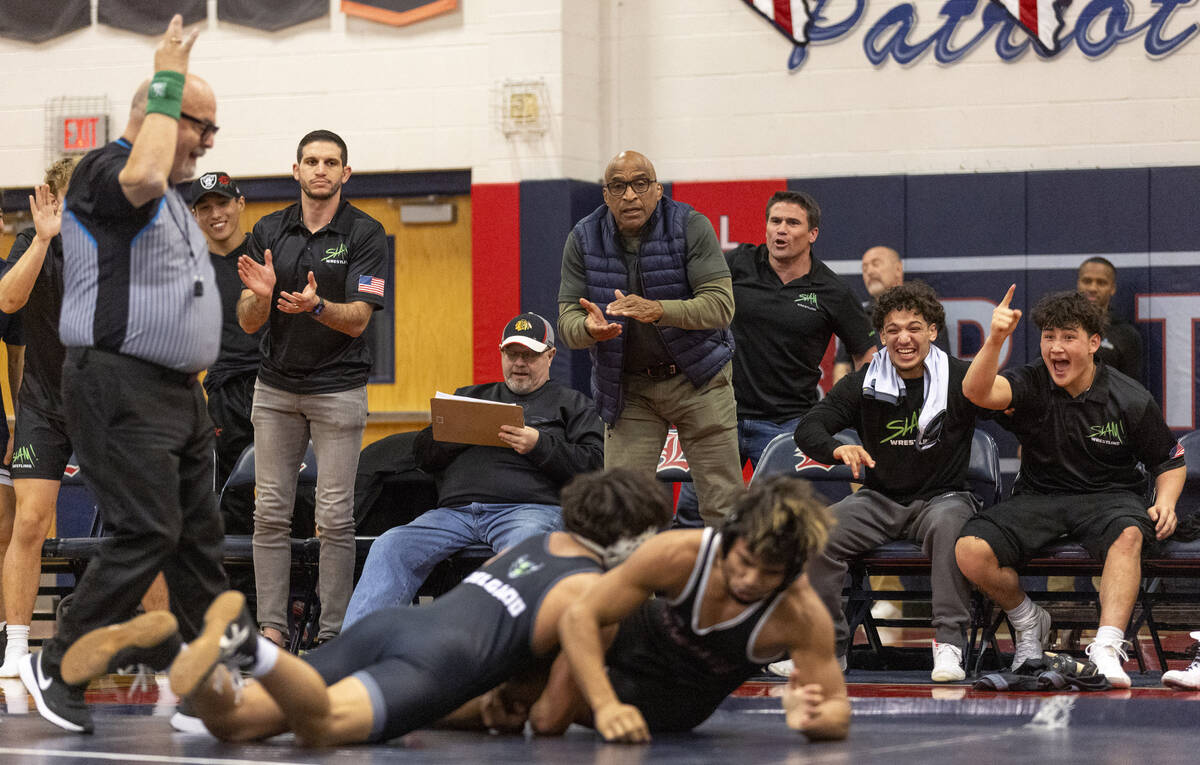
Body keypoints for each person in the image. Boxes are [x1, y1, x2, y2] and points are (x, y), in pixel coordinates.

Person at [19, 16, 245, 734]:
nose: (207, 140)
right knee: (147, 530)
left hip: (177, 395)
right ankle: (59, 665)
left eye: (213, 129)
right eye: (195, 124)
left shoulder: (171, 205)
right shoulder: (104, 174)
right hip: (117, 383)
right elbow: (146, 166)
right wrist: (168, 70)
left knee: (196, 544)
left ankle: (215, 684)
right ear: (157, 115)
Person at [105, 468, 672, 745]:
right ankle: (250, 649)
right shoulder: (595, 595)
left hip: (393, 625)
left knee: (234, 723)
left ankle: (191, 654)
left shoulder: (535, 545)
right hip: (434, 664)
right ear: (629, 541)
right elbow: (548, 721)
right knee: (321, 725)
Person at [956, 286, 1185, 688]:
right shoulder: (1029, 383)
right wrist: (995, 339)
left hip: (1110, 498)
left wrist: (1165, 500)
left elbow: (1169, 460)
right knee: (970, 550)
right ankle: (1028, 620)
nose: (1056, 348)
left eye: (1068, 337)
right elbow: (976, 392)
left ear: (1094, 343)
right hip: (1039, 496)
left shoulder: (1129, 398)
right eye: (1049, 337)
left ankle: (1108, 648)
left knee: (1130, 535)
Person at [788, 281, 996, 682]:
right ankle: (828, 648)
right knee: (817, 536)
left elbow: (1012, 408)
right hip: (879, 499)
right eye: (893, 330)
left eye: (914, 327)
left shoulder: (961, 378)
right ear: (881, 336)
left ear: (933, 331)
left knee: (951, 526)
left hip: (944, 498)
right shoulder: (862, 383)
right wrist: (836, 449)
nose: (904, 338)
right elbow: (809, 427)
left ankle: (950, 644)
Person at [343, 312, 603, 626]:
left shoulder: (572, 404)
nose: (519, 362)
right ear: (501, 353)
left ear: (550, 356)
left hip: (527, 510)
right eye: (512, 353)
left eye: (529, 355)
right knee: (390, 546)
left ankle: (497, 652)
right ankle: (358, 648)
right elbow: (423, 456)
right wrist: (453, 435)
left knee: (521, 553)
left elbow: (595, 465)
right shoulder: (470, 396)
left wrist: (540, 445)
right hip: (454, 513)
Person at [550, 475, 850, 742]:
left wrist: (811, 721)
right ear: (728, 540)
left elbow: (836, 707)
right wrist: (606, 705)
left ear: (792, 570)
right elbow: (580, 616)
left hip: (672, 706)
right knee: (540, 715)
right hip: (621, 649)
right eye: (745, 561)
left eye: (770, 573)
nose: (750, 580)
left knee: (544, 715)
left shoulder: (801, 614)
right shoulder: (679, 552)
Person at [237, 130, 388, 647]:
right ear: (295, 170)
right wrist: (261, 296)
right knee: (270, 512)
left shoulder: (365, 233)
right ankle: (272, 629)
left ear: (345, 173)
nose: (319, 169)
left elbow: (359, 321)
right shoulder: (268, 228)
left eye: (330, 162)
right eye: (310, 161)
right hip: (275, 388)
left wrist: (317, 306)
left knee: (334, 516)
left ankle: (333, 634)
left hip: (338, 390)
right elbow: (249, 322)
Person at [557, 149, 742, 526]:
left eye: (640, 184)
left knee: (725, 508)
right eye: (618, 186)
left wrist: (659, 309)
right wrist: (588, 330)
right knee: (622, 513)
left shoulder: (690, 225)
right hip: (630, 388)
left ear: (657, 190)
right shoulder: (582, 238)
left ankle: (730, 586)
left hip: (699, 379)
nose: (630, 196)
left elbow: (721, 306)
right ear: (605, 196)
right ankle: (637, 586)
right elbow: (567, 322)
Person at [675, 193, 878, 521]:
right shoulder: (738, 263)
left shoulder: (831, 290)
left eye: (792, 223)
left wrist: (847, 412)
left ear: (812, 234)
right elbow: (690, 305)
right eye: (775, 221)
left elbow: (866, 356)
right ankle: (697, 574)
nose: (781, 230)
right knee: (692, 516)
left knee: (783, 522)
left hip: (787, 424)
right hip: (721, 417)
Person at [0, 162, 72, 677]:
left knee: (133, 524)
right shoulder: (32, 239)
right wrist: (44, 241)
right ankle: (16, 646)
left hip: (105, 405)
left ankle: (164, 645)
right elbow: (8, 300)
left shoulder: (124, 242)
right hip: (45, 405)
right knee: (27, 520)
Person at [190, 171, 264, 531]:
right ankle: (236, 586)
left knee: (294, 490)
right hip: (223, 394)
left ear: (240, 204)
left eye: (222, 203)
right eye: (205, 207)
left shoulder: (267, 255)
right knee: (230, 492)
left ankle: (296, 585)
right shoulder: (189, 270)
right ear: (195, 217)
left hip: (275, 386)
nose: (215, 213)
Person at [831, 246, 949, 384]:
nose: (869, 271)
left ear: (898, 269)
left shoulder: (926, 312)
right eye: (864, 268)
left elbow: (939, 367)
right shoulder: (857, 318)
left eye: (876, 264)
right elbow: (842, 366)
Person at [0, 197, 25, 674]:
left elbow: (17, 357)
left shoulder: (9, 273)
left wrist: (19, 419)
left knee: (5, 529)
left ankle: (7, 633)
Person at [1076, 256, 1143, 382]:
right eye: (1087, 281)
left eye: (1101, 283)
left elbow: (1132, 392)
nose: (1092, 288)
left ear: (1112, 288)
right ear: (1078, 283)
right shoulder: (1060, 327)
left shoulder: (1126, 335)